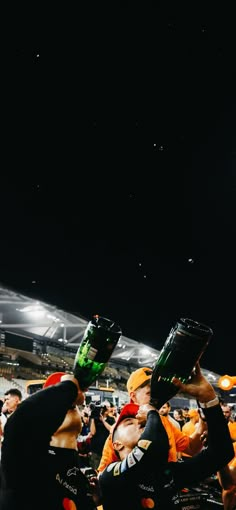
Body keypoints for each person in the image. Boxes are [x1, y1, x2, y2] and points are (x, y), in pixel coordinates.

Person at [99, 363, 234, 510]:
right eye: (129, 423)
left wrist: (208, 397)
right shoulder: (111, 475)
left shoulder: (167, 474)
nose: (139, 423)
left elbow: (222, 453)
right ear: (117, 444)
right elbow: (150, 448)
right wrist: (152, 414)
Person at [0, 372, 100, 510]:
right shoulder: (27, 456)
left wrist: (93, 500)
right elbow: (16, 425)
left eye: (73, 406)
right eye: (64, 404)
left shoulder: (77, 474)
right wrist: (68, 389)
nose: (69, 405)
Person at [98, 366, 206, 472]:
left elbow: (191, 447)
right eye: (150, 393)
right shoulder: (121, 432)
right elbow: (102, 477)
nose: (157, 395)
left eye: (158, 390)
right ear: (133, 396)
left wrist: (204, 414)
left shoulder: (163, 422)